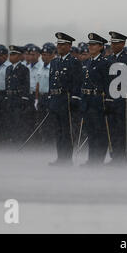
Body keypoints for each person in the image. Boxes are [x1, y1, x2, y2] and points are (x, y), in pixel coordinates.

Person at [48, 32, 83, 166]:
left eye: (63, 45)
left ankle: (67, 158)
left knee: (66, 131)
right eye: (58, 44)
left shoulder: (73, 62)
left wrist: (74, 98)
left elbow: (77, 82)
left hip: (66, 99)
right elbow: (52, 81)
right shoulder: (54, 62)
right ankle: (60, 157)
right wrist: (50, 98)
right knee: (58, 131)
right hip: (56, 99)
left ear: (69, 46)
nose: (59, 47)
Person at [80, 33, 110, 166]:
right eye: (89, 45)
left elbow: (107, 84)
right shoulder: (87, 62)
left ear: (100, 47)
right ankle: (91, 159)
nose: (90, 47)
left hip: (98, 101)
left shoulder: (104, 63)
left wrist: (106, 101)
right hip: (87, 100)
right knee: (90, 132)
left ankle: (98, 159)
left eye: (93, 45)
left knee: (100, 132)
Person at [104, 31, 127, 167]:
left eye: (116, 43)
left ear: (123, 44)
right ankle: (114, 156)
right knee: (112, 129)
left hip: (123, 98)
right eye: (112, 43)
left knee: (122, 130)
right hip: (110, 98)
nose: (113, 45)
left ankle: (122, 156)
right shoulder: (108, 59)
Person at [5, 45, 30, 144]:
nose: (11, 57)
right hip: (10, 98)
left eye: (14, 54)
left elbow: (25, 85)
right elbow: (7, 84)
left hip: (18, 99)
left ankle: (19, 142)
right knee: (10, 122)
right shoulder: (8, 69)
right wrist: (7, 96)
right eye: (10, 54)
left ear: (20, 56)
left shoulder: (23, 69)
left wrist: (24, 99)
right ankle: (12, 141)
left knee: (18, 122)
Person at [36, 44, 56, 144]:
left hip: (51, 96)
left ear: (53, 55)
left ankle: (50, 142)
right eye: (43, 54)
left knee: (50, 122)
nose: (44, 56)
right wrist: (36, 99)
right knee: (41, 121)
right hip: (42, 97)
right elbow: (38, 84)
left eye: (47, 54)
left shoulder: (54, 67)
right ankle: (44, 142)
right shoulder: (40, 67)